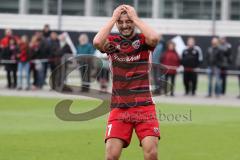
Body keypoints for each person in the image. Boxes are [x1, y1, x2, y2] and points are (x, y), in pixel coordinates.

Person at [93, 5, 160, 160]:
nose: (125, 25)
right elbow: (97, 42)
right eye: (121, 22)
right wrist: (112, 18)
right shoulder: (111, 42)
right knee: (111, 156)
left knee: (152, 154)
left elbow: (154, 38)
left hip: (144, 106)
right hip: (119, 108)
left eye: (128, 21)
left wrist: (135, 18)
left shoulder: (144, 41)